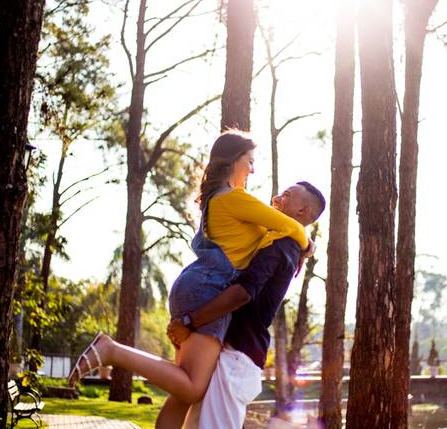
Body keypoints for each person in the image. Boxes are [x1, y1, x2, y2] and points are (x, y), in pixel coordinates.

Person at [67, 131, 313, 412]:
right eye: (250, 161)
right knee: (193, 389)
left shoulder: (222, 198)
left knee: (182, 393)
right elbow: (291, 227)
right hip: (208, 291)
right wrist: (308, 246)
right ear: (234, 160)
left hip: (197, 285)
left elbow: (273, 235)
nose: (253, 169)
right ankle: (113, 351)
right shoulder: (235, 198)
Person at [161, 182, 326, 429]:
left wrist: (190, 321)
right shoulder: (279, 239)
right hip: (230, 349)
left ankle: (112, 352)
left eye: (286, 195)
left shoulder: (282, 245)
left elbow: (242, 293)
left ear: (303, 210)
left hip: (239, 353)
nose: (277, 198)